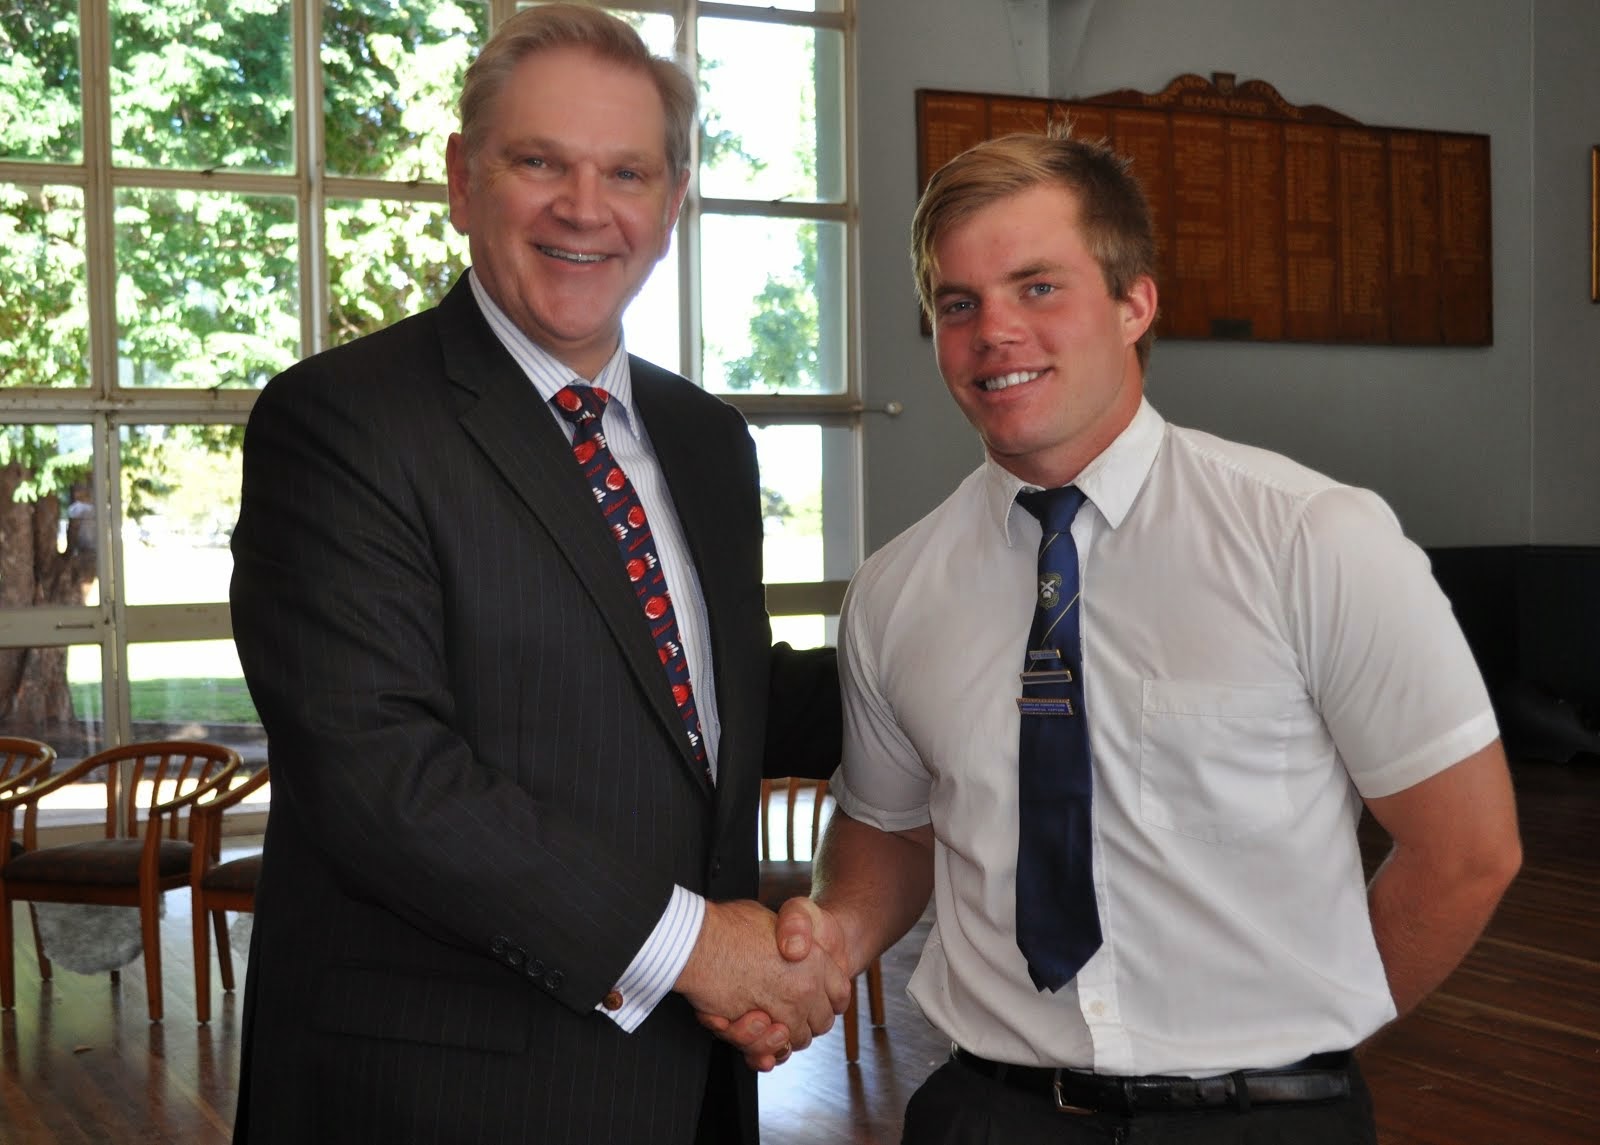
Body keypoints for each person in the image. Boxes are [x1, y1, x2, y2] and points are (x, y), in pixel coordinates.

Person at [743, 128, 1523, 1143]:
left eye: (1037, 287)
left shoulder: (1310, 536)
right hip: (988, 1114)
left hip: (1262, 1116)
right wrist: (839, 931)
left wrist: (1311, 1039)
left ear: (1134, 302)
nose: (994, 332)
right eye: (957, 302)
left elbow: (1467, 848)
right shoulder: (897, 588)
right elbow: (891, 824)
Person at [228, 6, 845, 1143]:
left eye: (626, 172)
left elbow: (704, 702)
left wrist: (957, 661)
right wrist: (701, 945)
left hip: (689, 1086)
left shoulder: (707, 440)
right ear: (464, 183)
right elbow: (383, 773)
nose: (583, 206)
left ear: (669, 207)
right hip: (437, 1096)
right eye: (538, 162)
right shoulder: (344, 422)